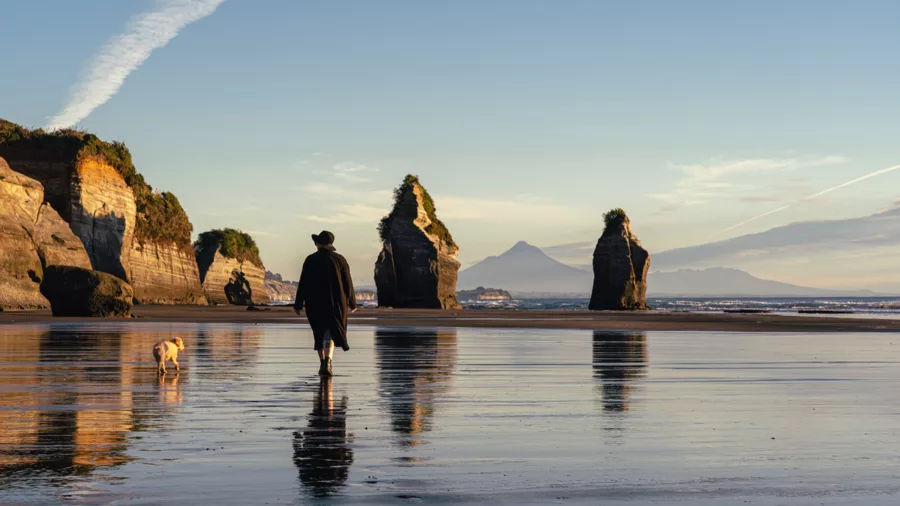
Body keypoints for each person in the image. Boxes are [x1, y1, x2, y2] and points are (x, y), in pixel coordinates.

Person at [294, 231, 358, 376]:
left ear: (319, 243)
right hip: (336, 302)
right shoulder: (340, 259)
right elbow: (348, 282)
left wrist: (298, 304)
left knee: (319, 332)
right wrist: (353, 302)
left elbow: (303, 282)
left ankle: (323, 363)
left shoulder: (310, 259)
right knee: (331, 332)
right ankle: (328, 361)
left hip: (314, 301)